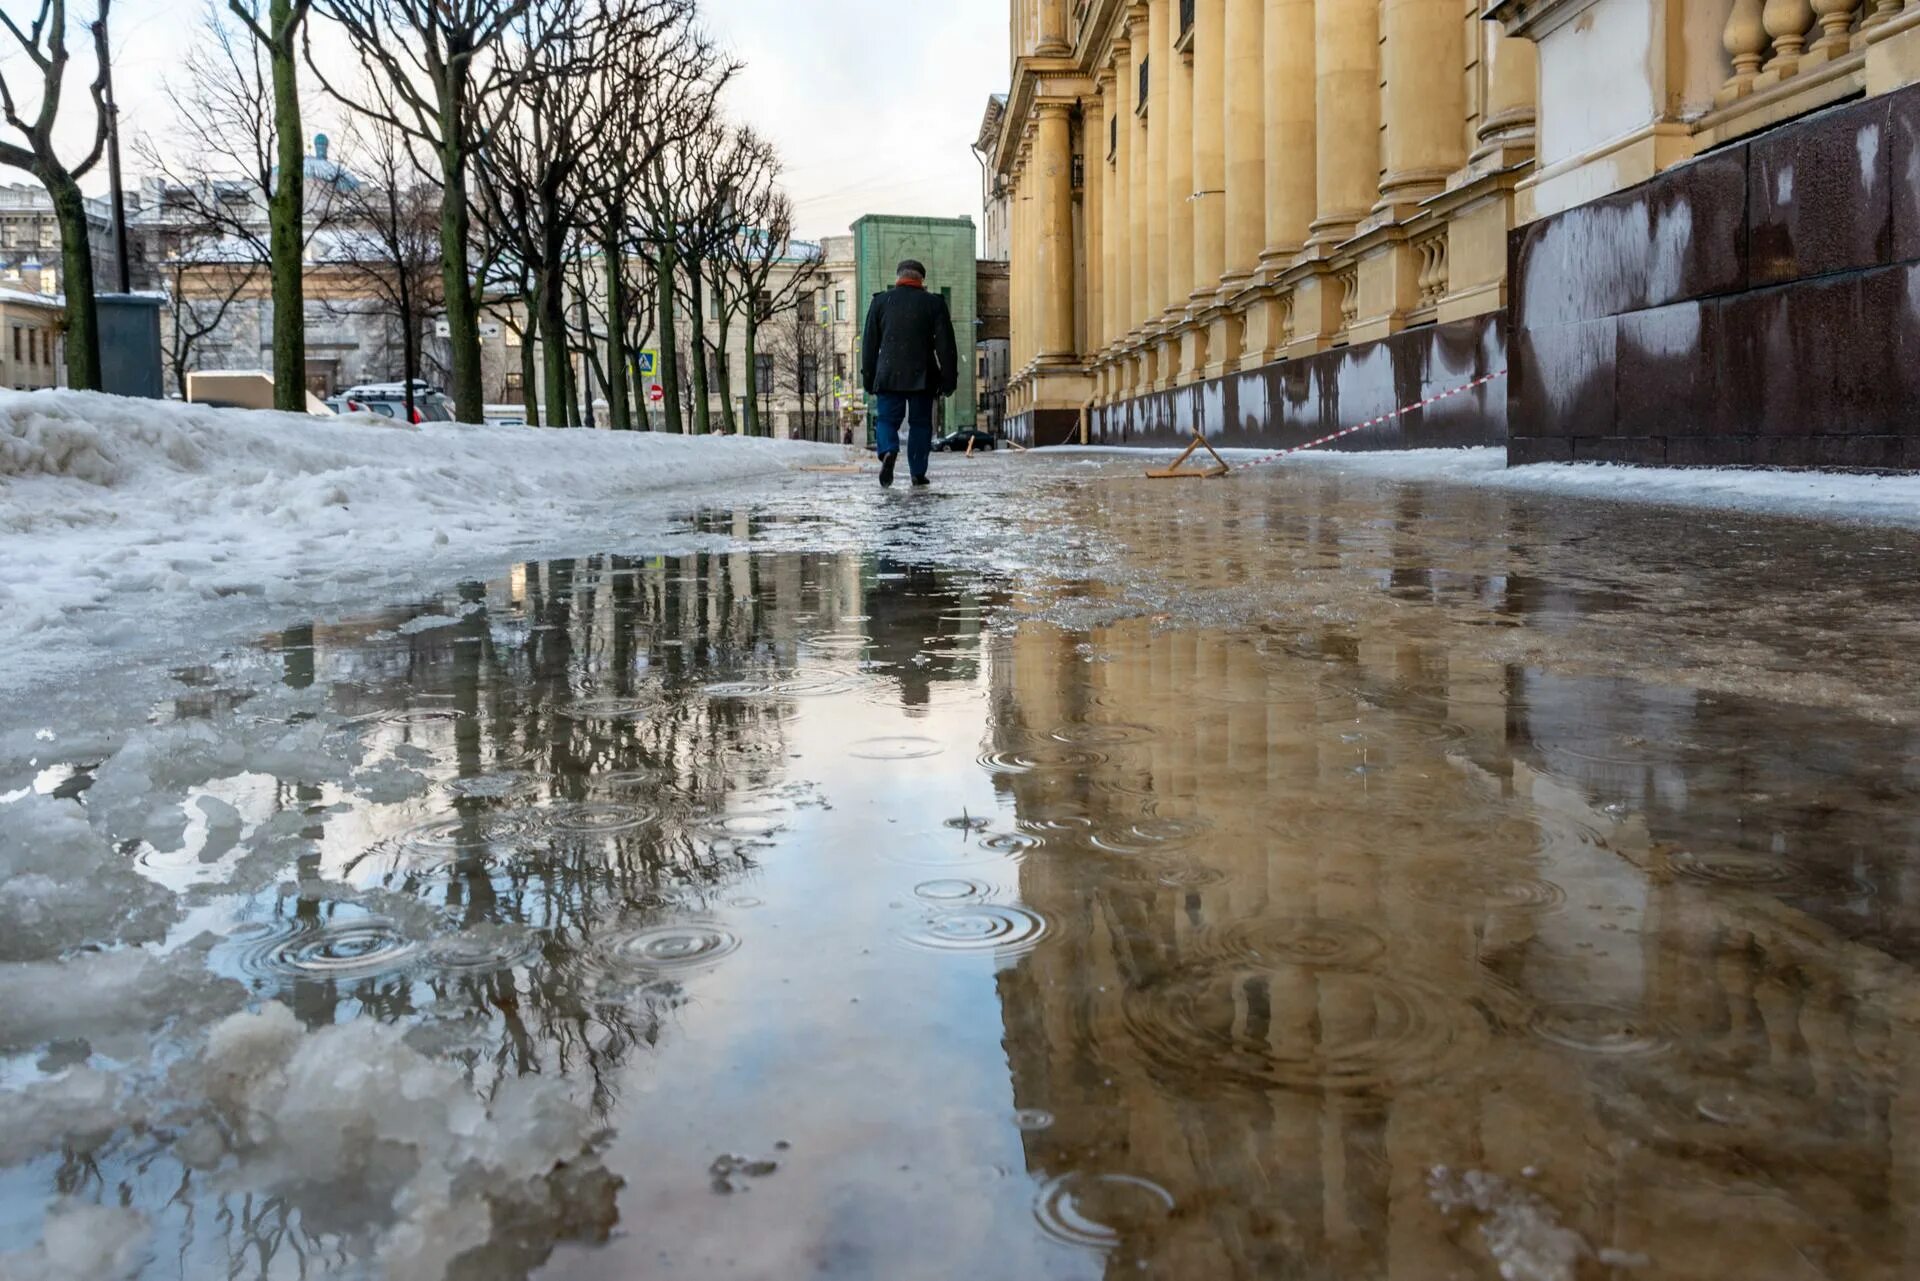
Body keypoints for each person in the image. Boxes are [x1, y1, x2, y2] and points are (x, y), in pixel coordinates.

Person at [860, 258, 959, 488]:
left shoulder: (881, 302)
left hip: (888, 374)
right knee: (921, 424)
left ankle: (888, 451)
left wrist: (869, 378)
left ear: (898, 277)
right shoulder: (934, 304)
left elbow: (869, 345)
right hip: (922, 375)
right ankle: (917, 472)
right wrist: (949, 380)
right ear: (921, 279)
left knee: (886, 420)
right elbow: (946, 346)